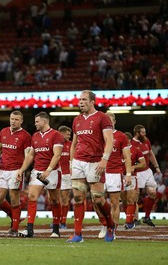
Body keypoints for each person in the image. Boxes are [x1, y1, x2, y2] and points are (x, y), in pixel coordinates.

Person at [67, 90, 115, 243]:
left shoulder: (102, 118)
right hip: (78, 162)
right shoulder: (77, 120)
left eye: (84, 100)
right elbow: (74, 143)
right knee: (78, 197)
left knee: (98, 199)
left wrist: (104, 160)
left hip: (95, 162)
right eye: (79, 100)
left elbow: (109, 140)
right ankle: (78, 234)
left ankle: (110, 226)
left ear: (92, 101)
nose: (80, 102)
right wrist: (71, 162)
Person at [17, 112, 64, 238]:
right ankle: (29, 229)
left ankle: (55, 229)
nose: (35, 124)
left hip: (52, 172)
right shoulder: (35, 136)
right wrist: (21, 170)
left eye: (37, 121)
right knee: (32, 196)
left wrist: (48, 170)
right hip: (37, 171)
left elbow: (57, 155)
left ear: (44, 121)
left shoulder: (56, 135)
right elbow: (31, 155)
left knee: (54, 200)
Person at [0, 110, 31, 236]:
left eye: (16, 119)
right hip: (2, 169)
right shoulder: (3, 132)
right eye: (12, 119)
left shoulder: (25, 136)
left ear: (21, 121)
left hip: (16, 170)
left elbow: (28, 156)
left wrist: (22, 171)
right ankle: (15, 218)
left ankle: (14, 228)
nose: (13, 121)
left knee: (14, 200)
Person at [96, 112, 131, 239]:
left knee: (115, 203)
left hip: (115, 172)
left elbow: (127, 157)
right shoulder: (98, 135)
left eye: (109, 121)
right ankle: (105, 224)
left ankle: (113, 230)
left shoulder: (121, 136)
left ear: (114, 122)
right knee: (96, 200)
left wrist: (128, 174)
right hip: (100, 171)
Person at [131, 124, 160, 227]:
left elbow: (151, 154)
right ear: (137, 133)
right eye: (143, 132)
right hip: (137, 172)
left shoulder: (146, 140)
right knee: (135, 197)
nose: (145, 134)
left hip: (147, 171)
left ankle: (147, 217)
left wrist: (156, 166)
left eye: (145, 132)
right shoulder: (131, 143)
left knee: (152, 193)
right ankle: (135, 219)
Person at [121, 132, 146, 229]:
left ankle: (129, 222)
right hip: (120, 176)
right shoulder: (119, 149)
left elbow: (143, 164)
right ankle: (129, 220)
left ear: (128, 140)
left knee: (131, 199)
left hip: (131, 177)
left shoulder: (136, 150)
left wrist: (134, 166)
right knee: (124, 201)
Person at [58, 125, 72, 229]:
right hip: (55, 173)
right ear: (61, 134)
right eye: (67, 134)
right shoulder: (54, 144)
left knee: (64, 198)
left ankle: (63, 221)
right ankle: (57, 220)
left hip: (66, 175)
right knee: (53, 199)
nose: (69, 136)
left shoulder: (71, 145)